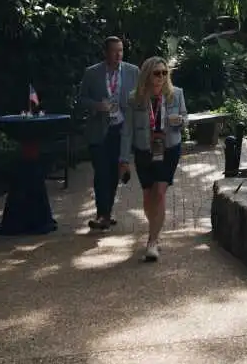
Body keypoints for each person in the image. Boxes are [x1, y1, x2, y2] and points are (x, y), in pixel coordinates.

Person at [126, 56, 186, 262]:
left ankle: (152, 240)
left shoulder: (176, 94)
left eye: (164, 72)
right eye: (157, 73)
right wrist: (123, 159)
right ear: (147, 75)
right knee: (148, 195)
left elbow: (184, 118)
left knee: (159, 193)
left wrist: (179, 121)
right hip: (144, 150)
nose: (161, 77)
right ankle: (154, 229)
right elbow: (127, 131)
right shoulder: (135, 98)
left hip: (169, 149)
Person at [78, 36, 139, 231]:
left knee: (113, 173)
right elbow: (81, 100)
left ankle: (107, 213)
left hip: (121, 130)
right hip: (99, 130)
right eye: (114, 51)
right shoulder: (92, 73)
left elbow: (139, 98)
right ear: (106, 52)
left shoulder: (132, 71)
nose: (118, 54)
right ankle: (101, 214)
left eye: (121, 50)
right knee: (101, 172)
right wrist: (97, 105)